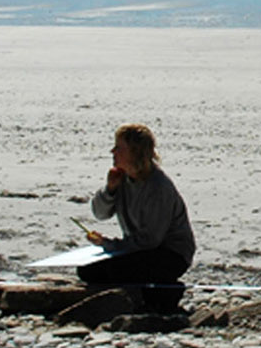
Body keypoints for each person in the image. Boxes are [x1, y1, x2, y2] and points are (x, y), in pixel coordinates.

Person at [82, 123, 196, 312]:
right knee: (88, 270)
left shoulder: (158, 186)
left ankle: (161, 295)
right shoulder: (124, 179)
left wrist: (109, 245)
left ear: (134, 152)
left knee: (109, 270)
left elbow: (150, 240)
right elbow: (100, 213)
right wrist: (110, 190)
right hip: (138, 249)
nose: (113, 152)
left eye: (119, 148)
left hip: (170, 254)